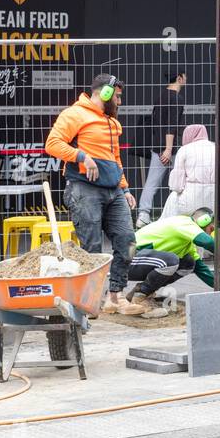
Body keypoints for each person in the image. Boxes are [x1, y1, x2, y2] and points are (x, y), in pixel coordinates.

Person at [45, 74, 141, 315]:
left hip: (113, 190)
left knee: (127, 240)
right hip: (84, 190)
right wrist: (82, 157)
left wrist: (125, 187)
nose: (119, 102)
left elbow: (114, 157)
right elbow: (52, 144)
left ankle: (115, 297)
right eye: (117, 96)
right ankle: (91, 301)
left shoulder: (110, 122)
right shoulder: (74, 114)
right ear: (104, 93)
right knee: (92, 249)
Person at [124, 208, 217, 319]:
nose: (210, 233)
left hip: (137, 260)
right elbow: (207, 242)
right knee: (171, 261)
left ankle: (140, 293)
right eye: (211, 228)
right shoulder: (184, 223)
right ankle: (141, 299)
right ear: (203, 221)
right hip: (126, 259)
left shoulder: (187, 239)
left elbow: (200, 269)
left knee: (188, 263)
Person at [137, 70, 187, 228]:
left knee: (152, 182)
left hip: (157, 145)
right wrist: (168, 149)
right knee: (182, 182)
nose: (186, 79)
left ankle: (143, 214)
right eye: (185, 76)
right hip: (167, 149)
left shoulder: (161, 97)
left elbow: (162, 123)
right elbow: (171, 126)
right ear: (179, 78)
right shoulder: (176, 98)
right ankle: (180, 215)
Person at [163, 124, 215, 218]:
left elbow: (176, 186)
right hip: (214, 202)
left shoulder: (184, 150)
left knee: (173, 198)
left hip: (191, 202)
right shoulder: (216, 147)